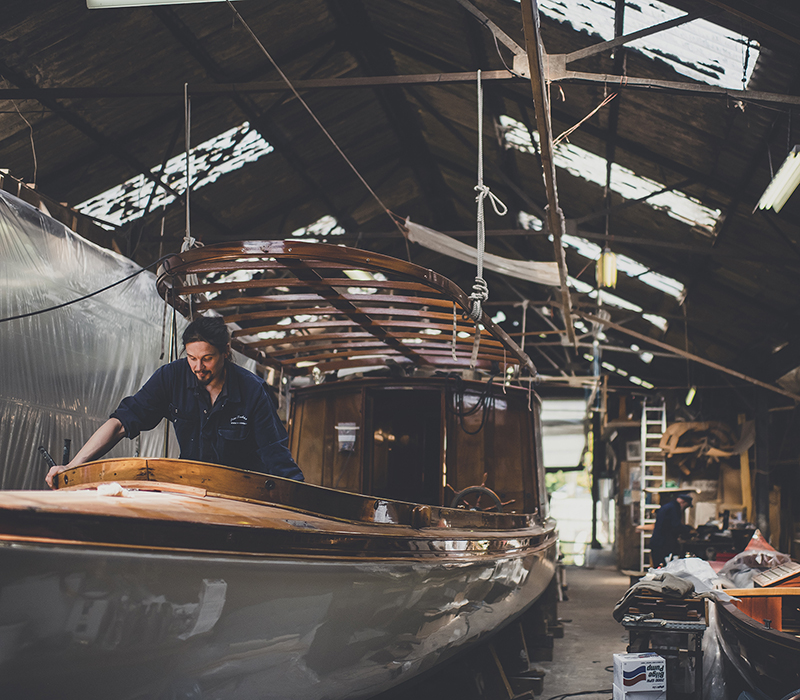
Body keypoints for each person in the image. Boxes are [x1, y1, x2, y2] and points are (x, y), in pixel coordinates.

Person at [46, 315, 303, 487]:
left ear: (226, 350)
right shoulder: (172, 377)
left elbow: (275, 455)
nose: (198, 367)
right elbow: (121, 422)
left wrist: (300, 501)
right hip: (191, 488)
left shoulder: (252, 390)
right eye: (192, 358)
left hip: (241, 492)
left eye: (207, 359)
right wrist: (72, 466)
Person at [649, 492, 693, 567]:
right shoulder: (674, 508)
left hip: (658, 542)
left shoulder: (669, 506)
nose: (685, 509)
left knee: (659, 568)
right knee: (663, 568)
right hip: (662, 544)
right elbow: (675, 525)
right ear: (683, 502)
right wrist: (688, 530)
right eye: (686, 506)